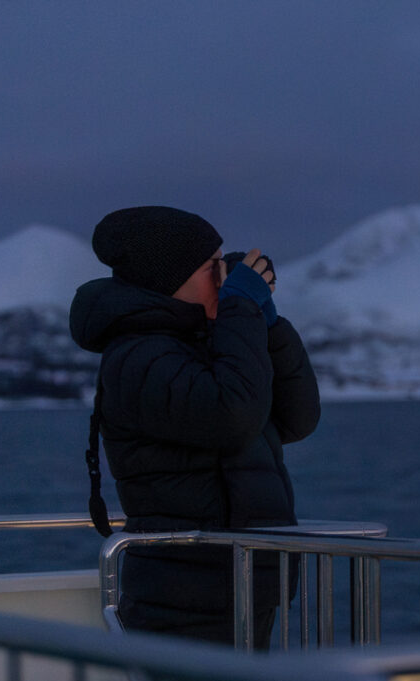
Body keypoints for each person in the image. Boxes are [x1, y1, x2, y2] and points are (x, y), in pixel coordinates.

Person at [69, 206, 320, 649]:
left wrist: (267, 321)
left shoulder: (204, 344)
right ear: (171, 280)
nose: (224, 277)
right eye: (212, 267)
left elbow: (296, 419)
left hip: (239, 581)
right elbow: (233, 417)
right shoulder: (140, 357)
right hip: (185, 593)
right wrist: (239, 308)